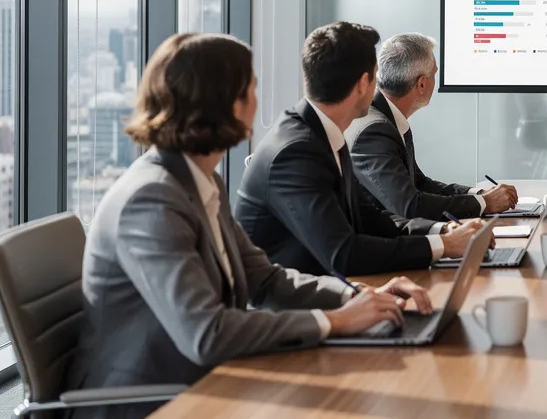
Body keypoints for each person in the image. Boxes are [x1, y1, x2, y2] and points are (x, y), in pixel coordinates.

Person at [67, 34, 433, 419]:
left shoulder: (201, 180)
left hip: (205, 377)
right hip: (149, 400)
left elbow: (266, 280)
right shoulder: (151, 200)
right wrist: (335, 321)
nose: (258, 103)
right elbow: (207, 333)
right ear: (224, 102)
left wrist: (357, 295)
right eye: (251, 90)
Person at [235, 22, 488, 277]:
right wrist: (442, 245)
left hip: (333, 288)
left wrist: (442, 232)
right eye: (376, 75)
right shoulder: (297, 151)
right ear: (363, 83)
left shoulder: (323, 135)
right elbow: (344, 254)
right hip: (300, 303)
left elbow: (370, 219)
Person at [348, 32, 519, 220]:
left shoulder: (388, 118)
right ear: (421, 84)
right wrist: (486, 203)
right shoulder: (375, 131)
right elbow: (410, 205)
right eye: (434, 73)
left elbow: (419, 183)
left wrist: (478, 194)